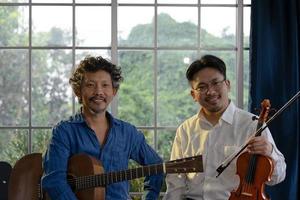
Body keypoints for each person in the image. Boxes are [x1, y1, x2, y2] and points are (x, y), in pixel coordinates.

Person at [163, 55, 286, 200]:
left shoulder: (252, 124)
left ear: (227, 84)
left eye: (215, 83)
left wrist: (270, 152)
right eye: (202, 87)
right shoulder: (185, 130)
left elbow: (279, 176)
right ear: (193, 94)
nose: (210, 91)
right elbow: (175, 182)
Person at [42, 56, 164, 200]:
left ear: (114, 91)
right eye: (90, 85)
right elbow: (54, 181)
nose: (98, 91)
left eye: (105, 85)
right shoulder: (64, 132)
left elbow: (156, 166)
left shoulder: (128, 133)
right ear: (78, 91)